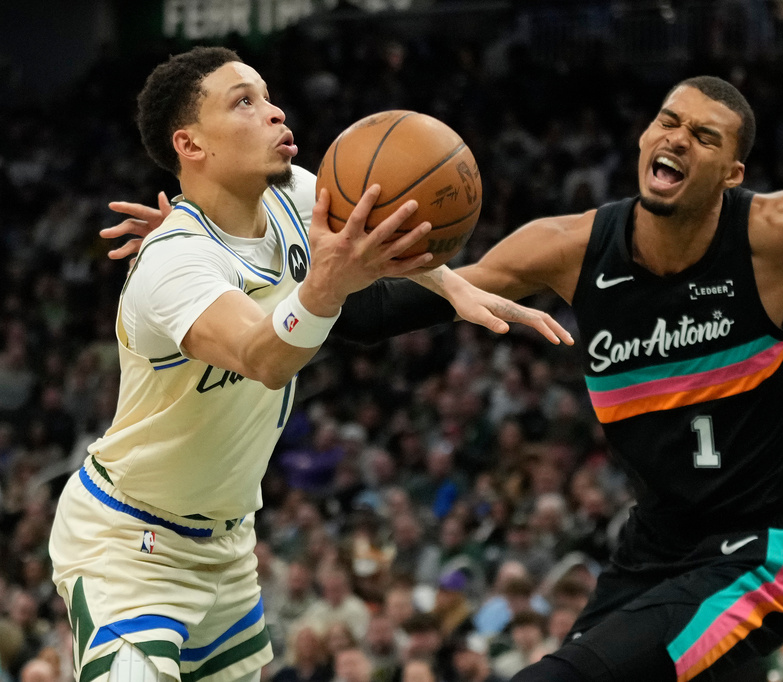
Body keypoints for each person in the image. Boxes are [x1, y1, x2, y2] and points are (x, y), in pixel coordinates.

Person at [109, 76, 783, 681]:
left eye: (703, 136)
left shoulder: (779, 233)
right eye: (667, 121)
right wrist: (223, 254)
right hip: (651, 552)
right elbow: (368, 318)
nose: (675, 138)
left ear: (731, 173)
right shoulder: (568, 249)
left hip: (759, 554)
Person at [56, 46, 573, 682]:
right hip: (130, 544)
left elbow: (372, 237)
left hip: (227, 545)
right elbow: (263, 357)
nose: (274, 112)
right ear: (190, 145)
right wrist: (325, 287)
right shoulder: (173, 263)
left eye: (269, 96)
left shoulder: (298, 194)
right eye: (244, 101)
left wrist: (456, 288)